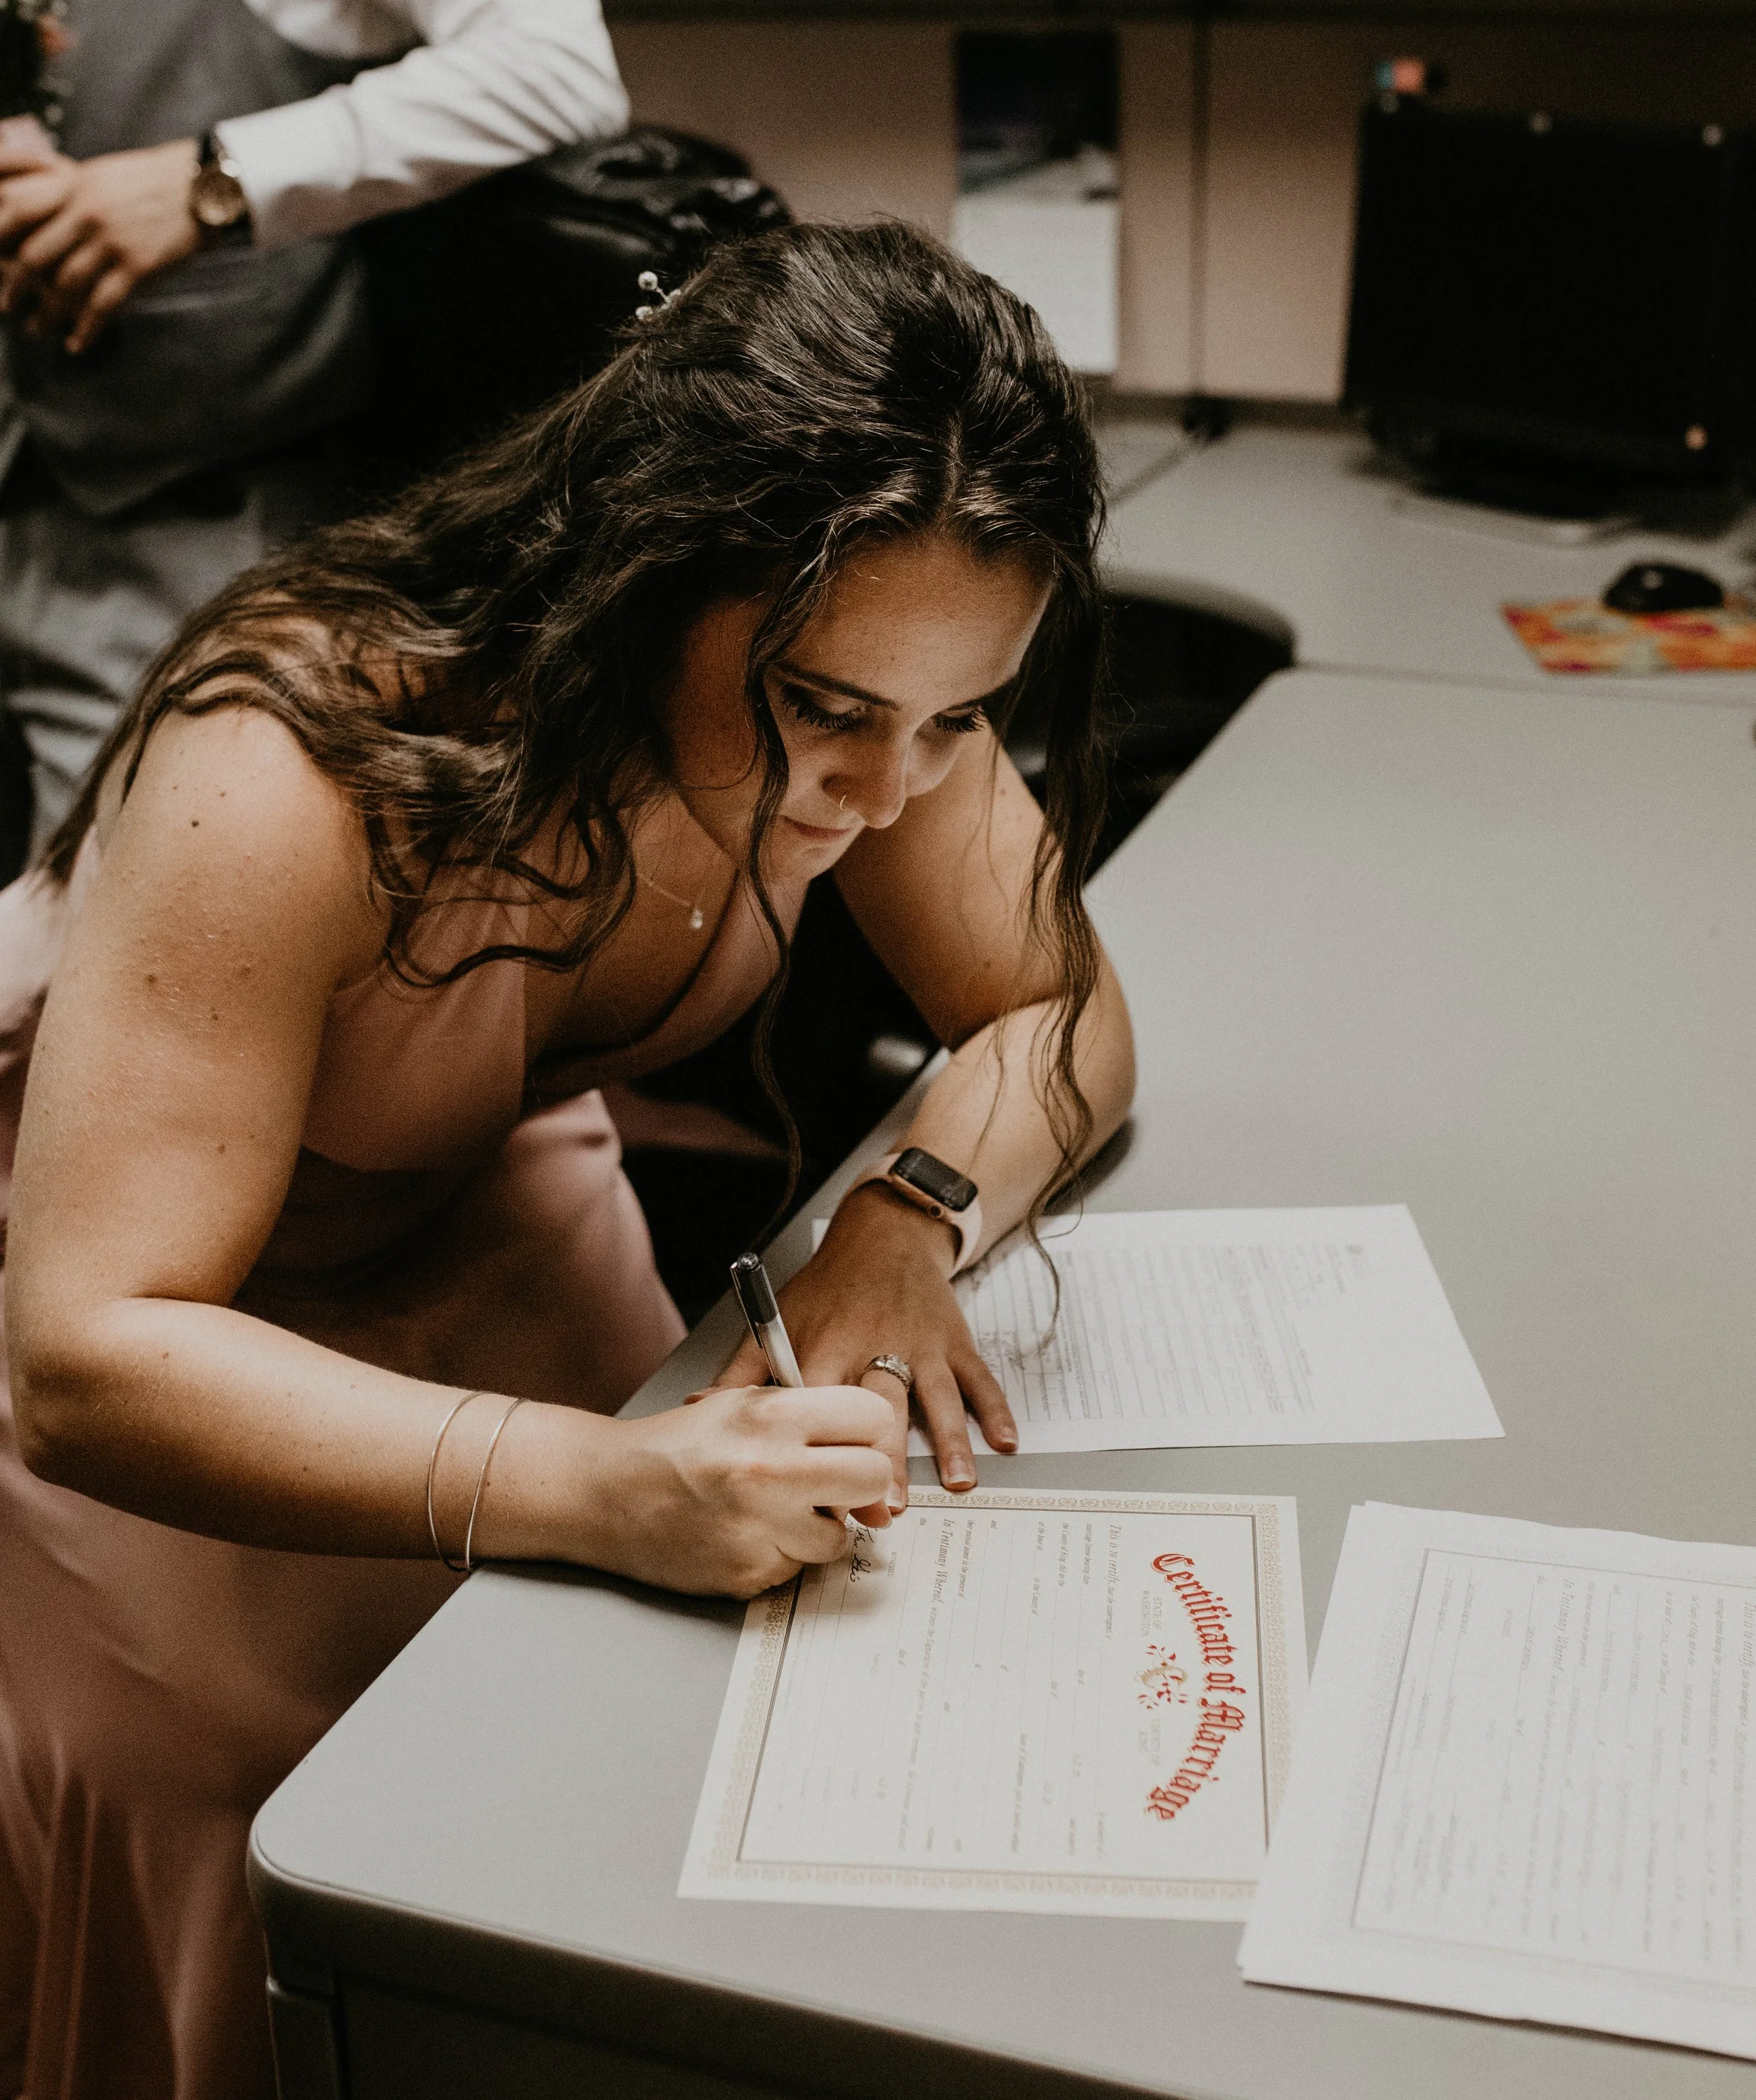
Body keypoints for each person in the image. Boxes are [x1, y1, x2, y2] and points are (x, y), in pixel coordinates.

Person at [0, 219, 1136, 2099]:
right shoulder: (281, 759)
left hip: (462, 1169)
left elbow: (1064, 1008)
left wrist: (903, 1216)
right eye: (831, 711)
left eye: (956, 717)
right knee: (251, 1777)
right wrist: (598, 1479)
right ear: (644, 568)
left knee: (652, 1698)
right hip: (113, 1263)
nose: (887, 794)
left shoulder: (883, 703)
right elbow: (87, 1354)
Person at [0, 0, 630, 863]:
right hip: (21, 465)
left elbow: (556, 65)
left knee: (127, 894)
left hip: (206, 500)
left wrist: (214, 179)